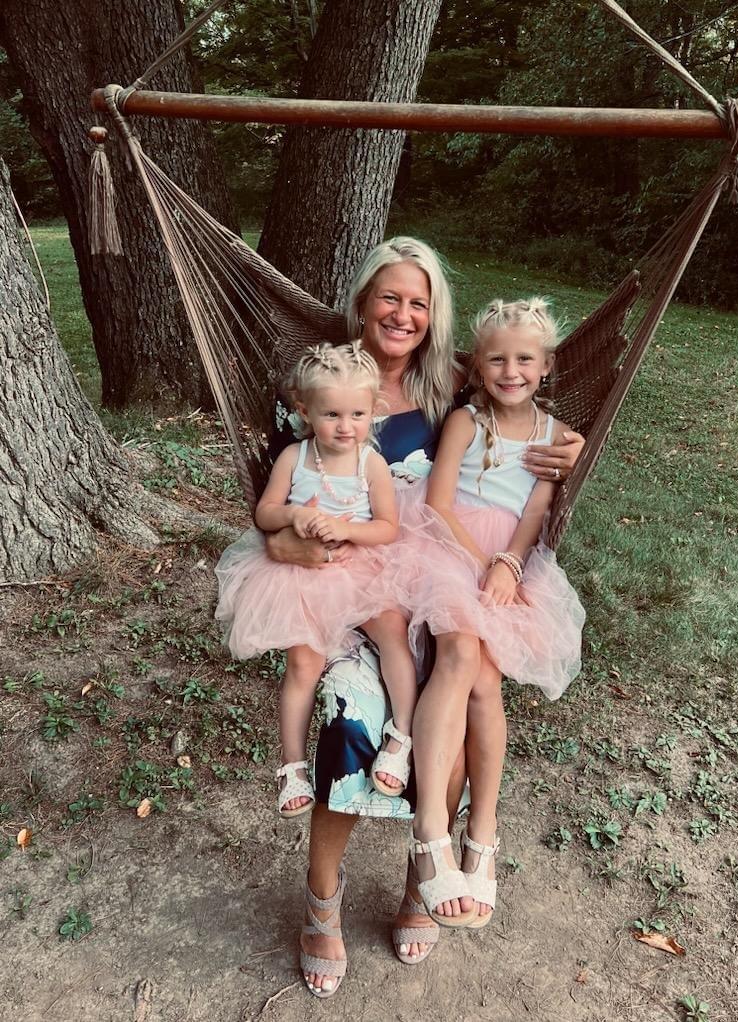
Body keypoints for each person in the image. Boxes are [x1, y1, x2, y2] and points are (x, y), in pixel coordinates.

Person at [262, 239, 585, 996]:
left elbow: (519, 416)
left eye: (419, 302)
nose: (403, 314)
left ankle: (423, 879)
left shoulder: (454, 388)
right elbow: (279, 495)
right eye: (389, 297)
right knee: (351, 721)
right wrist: (291, 544)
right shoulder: (318, 382)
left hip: (441, 585)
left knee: (463, 707)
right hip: (348, 585)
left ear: (434, 315)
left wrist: (567, 446)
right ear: (362, 303)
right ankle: (322, 899)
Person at [401, 297, 585, 928]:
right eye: (497, 360)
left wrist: (508, 564)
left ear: (547, 365)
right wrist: (481, 563)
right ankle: (431, 829)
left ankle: (482, 830)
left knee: (487, 682)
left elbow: (534, 514)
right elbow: (439, 503)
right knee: (459, 653)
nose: (512, 371)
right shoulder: (466, 421)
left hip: (508, 558)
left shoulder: (555, 436)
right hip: (445, 546)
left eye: (525, 359)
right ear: (477, 367)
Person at [214, 342, 418, 820]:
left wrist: (347, 530)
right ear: (305, 411)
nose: (345, 426)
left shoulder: (370, 463)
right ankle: (292, 766)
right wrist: (294, 516)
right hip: (301, 576)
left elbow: (387, 527)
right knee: (303, 662)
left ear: (373, 411)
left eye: (357, 414)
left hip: (360, 568)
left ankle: (401, 736)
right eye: (332, 415)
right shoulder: (295, 457)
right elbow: (265, 513)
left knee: (392, 630)